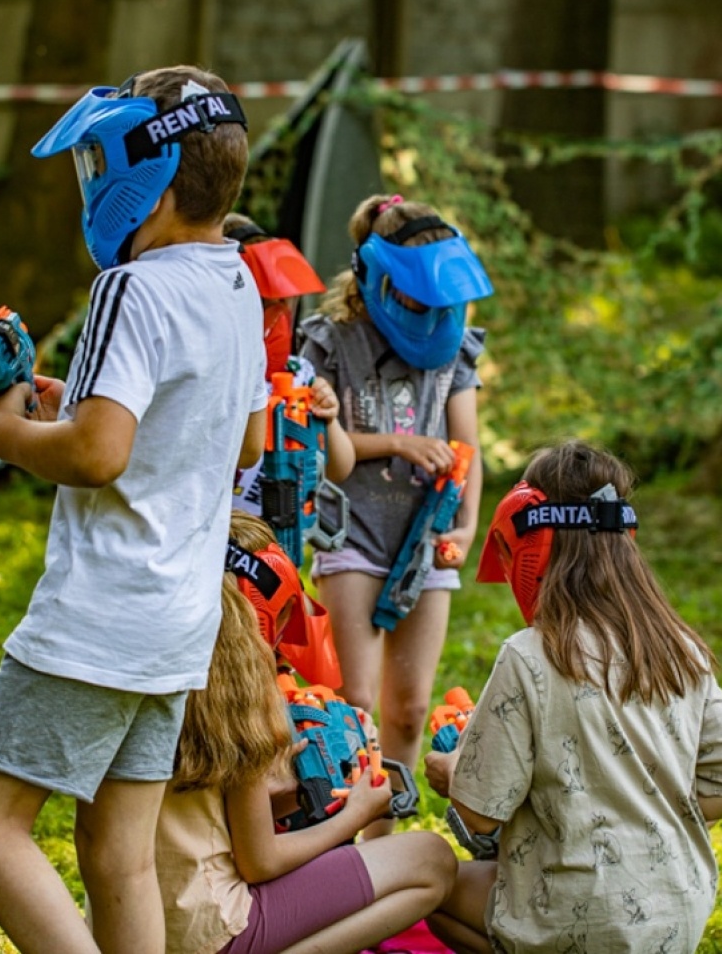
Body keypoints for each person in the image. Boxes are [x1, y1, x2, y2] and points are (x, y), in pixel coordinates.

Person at [0, 66, 269, 954]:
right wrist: (76, 401)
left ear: (142, 179)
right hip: (176, 625)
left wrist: (2, 426)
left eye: (94, 168)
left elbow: (96, 453)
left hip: (102, 619)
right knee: (116, 852)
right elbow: (244, 444)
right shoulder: (238, 282)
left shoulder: (133, 288)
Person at [423, 441, 722, 954]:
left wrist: (451, 767)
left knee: (435, 888)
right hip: (676, 918)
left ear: (530, 543)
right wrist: (638, 803)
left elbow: (478, 819)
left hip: (580, 917)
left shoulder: (529, 655)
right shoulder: (679, 647)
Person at [154, 511, 457, 954]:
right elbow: (259, 862)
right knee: (433, 859)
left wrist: (292, 788)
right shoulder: (242, 701)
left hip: (138, 923)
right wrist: (358, 811)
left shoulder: (148, 673)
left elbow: (210, 815)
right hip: (216, 929)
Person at [297, 194, 493, 832]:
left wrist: (465, 525)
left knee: (408, 711)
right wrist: (400, 443)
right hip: (352, 529)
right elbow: (333, 455)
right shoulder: (331, 343)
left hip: (425, 540)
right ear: (378, 281)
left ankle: (383, 844)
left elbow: (467, 446)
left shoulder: (456, 347)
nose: (428, 314)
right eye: (414, 299)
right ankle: (343, 843)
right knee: (356, 702)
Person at [224, 211, 355, 524]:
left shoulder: (299, 375)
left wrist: (329, 417)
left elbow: (341, 469)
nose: (280, 318)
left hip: (278, 543)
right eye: (268, 305)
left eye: (288, 304)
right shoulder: (215, 374)